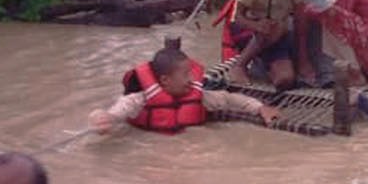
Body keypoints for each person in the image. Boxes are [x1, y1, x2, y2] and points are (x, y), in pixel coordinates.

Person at [90, 46, 280, 135]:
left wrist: (259, 108)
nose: (192, 80)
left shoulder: (200, 97)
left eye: (191, 73)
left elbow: (230, 100)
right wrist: (104, 118)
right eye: (185, 75)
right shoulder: (140, 100)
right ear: (165, 80)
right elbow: (118, 111)